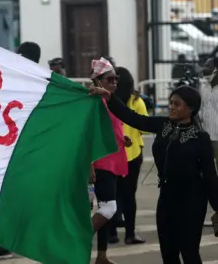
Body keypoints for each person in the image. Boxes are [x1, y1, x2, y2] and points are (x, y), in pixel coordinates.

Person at [90, 84, 218, 264]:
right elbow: (133, 118)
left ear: (191, 108)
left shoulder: (200, 138)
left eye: (177, 104)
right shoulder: (163, 125)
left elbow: (211, 177)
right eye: (171, 102)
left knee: (189, 253)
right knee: (168, 253)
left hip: (192, 202)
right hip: (166, 198)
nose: (172, 107)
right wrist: (110, 97)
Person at [0, 41, 42, 261]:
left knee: (6, 197)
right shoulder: (39, 80)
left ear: (23, 56)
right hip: (21, 149)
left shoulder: (21, 79)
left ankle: (5, 243)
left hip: (16, 151)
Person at [89, 58, 129, 264]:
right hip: (100, 162)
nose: (114, 83)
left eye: (116, 79)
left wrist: (123, 139)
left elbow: (110, 129)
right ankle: (76, 239)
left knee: (104, 208)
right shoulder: (94, 102)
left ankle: (102, 256)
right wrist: (89, 165)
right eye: (110, 79)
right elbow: (86, 134)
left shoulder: (108, 100)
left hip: (113, 160)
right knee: (109, 209)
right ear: (98, 80)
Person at [109, 67, 147, 245]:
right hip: (133, 156)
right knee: (129, 195)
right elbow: (144, 125)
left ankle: (111, 233)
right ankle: (130, 234)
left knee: (111, 194)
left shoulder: (107, 101)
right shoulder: (137, 101)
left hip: (110, 155)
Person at [200, 56, 218, 166]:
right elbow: (202, 109)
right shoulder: (204, 87)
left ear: (216, 69)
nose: (204, 69)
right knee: (207, 169)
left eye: (208, 66)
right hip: (205, 137)